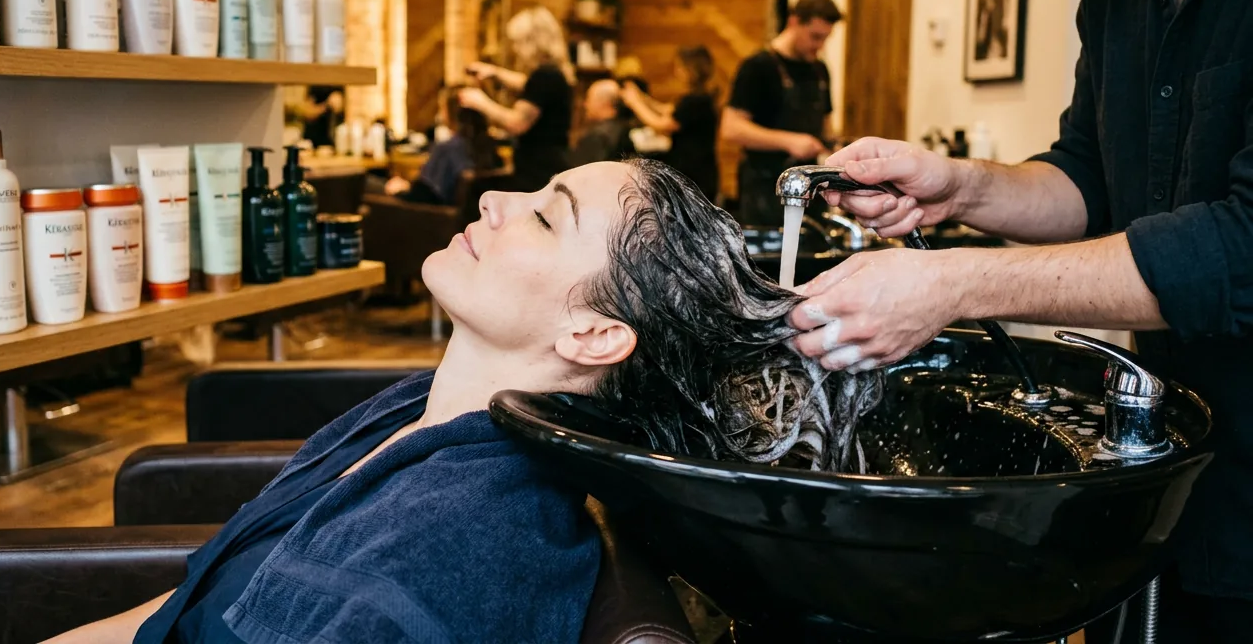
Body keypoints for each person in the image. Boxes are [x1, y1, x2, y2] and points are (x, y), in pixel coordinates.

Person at [44, 159, 881, 644]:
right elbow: (186, 603)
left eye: (547, 219)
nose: (494, 199)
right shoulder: (417, 417)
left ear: (592, 336)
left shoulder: (453, 547)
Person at [788, 0, 1253, 640]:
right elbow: (1089, 180)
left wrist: (952, 284)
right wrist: (958, 188)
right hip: (1156, 476)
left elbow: (1240, 249)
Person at [721, 0, 841, 226]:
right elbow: (731, 128)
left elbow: (826, 126)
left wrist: (835, 146)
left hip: (811, 188)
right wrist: (789, 141)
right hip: (766, 189)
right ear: (794, 22)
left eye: (825, 38)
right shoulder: (758, 67)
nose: (820, 45)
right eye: (815, 36)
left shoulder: (820, 70)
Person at [460, 7, 575, 193]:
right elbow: (530, 86)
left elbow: (517, 123)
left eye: (518, 43)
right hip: (551, 165)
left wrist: (480, 101)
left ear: (532, 42)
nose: (515, 49)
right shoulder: (555, 73)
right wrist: (495, 73)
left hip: (537, 171)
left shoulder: (545, 75)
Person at [621, 45, 720, 202]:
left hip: (693, 171)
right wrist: (642, 97)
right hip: (701, 168)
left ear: (691, 69)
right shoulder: (702, 97)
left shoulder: (694, 101)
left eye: (680, 67)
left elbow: (663, 124)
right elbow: (667, 110)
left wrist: (635, 103)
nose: (677, 71)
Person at [385, 88, 502, 206]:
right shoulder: (489, 146)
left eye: (442, 108)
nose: (440, 114)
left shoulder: (446, 149)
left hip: (436, 219)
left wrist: (401, 190)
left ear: (451, 112)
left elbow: (425, 196)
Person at [572, 78, 633, 166]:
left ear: (604, 102)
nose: (585, 104)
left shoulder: (596, 137)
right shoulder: (624, 129)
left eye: (588, 98)